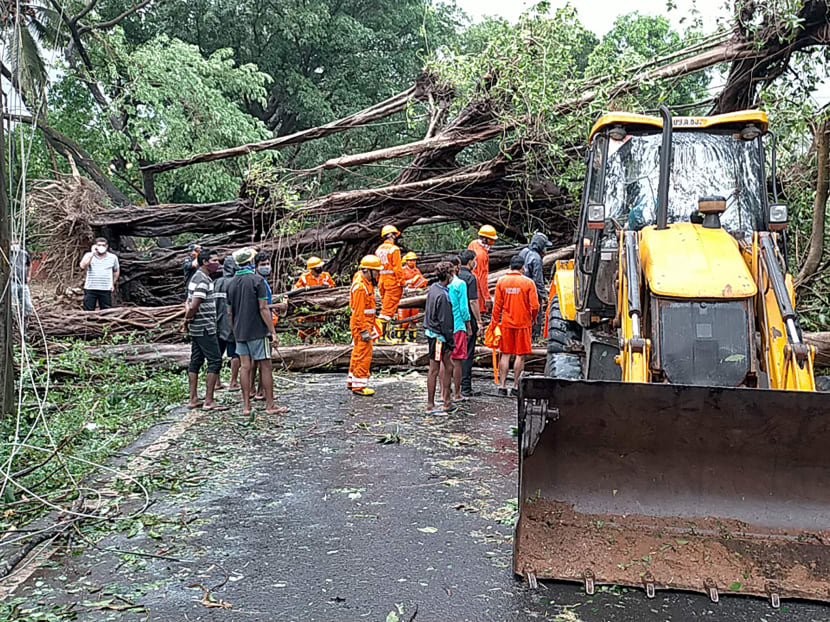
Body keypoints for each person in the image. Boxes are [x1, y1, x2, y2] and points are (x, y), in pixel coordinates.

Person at [226, 247, 283, 417]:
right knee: (265, 365)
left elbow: (229, 312)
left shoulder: (231, 283)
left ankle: (246, 406)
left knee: (245, 367)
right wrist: (272, 332)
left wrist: (234, 329)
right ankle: (270, 405)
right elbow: (263, 308)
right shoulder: (257, 281)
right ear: (251, 261)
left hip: (240, 331)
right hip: (258, 330)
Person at [489, 255, 539, 397]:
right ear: (523, 267)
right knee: (520, 355)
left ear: (510, 267)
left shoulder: (501, 282)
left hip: (506, 323)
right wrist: (533, 318)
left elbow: (496, 306)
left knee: (505, 354)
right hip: (523, 324)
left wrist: (493, 325)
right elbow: (535, 306)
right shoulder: (528, 283)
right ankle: (516, 386)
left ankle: (502, 386)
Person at [183, 248, 224, 410]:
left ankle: (193, 399)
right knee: (215, 361)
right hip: (205, 327)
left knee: (196, 361)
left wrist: (188, 320)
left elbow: (187, 301)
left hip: (197, 327)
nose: (217, 263)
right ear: (205, 262)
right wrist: (187, 319)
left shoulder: (197, 277)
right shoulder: (202, 280)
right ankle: (209, 400)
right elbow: (193, 305)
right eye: (214, 261)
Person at [424, 261, 458, 415]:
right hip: (439, 337)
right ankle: (431, 405)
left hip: (434, 332)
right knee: (434, 369)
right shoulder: (443, 297)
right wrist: (451, 341)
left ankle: (447, 400)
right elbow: (445, 322)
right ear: (448, 275)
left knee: (449, 366)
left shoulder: (434, 288)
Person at [348, 255, 382, 396]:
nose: (379, 274)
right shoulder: (361, 287)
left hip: (365, 323)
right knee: (364, 354)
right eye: (376, 271)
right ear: (368, 270)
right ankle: (359, 386)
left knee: (358, 352)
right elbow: (359, 313)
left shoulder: (364, 280)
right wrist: (363, 330)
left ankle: (352, 380)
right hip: (362, 324)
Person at [446, 256, 472, 403]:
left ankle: (445, 391)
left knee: (445, 360)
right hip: (458, 326)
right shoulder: (460, 284)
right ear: (456, 267)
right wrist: (468, 326)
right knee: (457, 361)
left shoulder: (441, 285)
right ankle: (457, 393)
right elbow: (464, 308)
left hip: (445, 327)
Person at [213, 255, 241, 391]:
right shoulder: (235, 282)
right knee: (235, 353)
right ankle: (233, 382)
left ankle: (217, 382)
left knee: (217, 353)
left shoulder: (216, 283)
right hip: (231, 323)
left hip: (216, 322)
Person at [518, 232, 553, 340]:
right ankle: (534, 337)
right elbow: (538, 280)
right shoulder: (536, 259)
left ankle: (523, 336)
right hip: (531, 290)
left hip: (520, 287)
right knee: (536, 313)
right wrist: (543, 295)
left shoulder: (523, 252)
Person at [457, 249, 482, 397]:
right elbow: (473, 301)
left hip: (454, 319)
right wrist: (478, 321)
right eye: (475, 260)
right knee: (467, 353)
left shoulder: (456, 275)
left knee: (455, 353)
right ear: (471, 261)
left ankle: (454, 386)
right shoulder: (470, 278)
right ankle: (465, 387)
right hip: (468, 319)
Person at [294, 256, 335, 341]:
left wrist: (328, 286)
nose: (320, 268)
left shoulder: (326, 276)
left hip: (322, 305)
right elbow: (296, 290)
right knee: (305, 322)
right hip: (309, 306)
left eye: (320, 266)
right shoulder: (304, 277)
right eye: (318, 267)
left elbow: (334, 288)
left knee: (319, 323)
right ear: (312, 269)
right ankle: (304, 339)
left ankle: (317, 338)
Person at [375, 224, 404, 343]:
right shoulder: (394, 249)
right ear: (391, 235)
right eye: (395, 235)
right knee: (387, 312)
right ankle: (380, 337)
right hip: (392, 282)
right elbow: (397, 268)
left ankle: (384, 336)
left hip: (382, 281)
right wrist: (402, 283)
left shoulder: (378, 250)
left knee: (385, 309)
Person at [80, 237, 119, 311]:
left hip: (105, 288)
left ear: (107, 246)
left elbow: (116, 271)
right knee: (88, 310)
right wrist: (92, 253)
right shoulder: (89, 255)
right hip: (90, 288)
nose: (101, 247)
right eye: (99, 245)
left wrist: (112, 283)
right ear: (95, 246)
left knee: (106, 311)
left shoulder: (113, 257)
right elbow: (83, 266)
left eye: (103, 245)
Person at [396, 251, 427, 342]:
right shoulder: (402, 271)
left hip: (415, 295)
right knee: (403, 320)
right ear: (407, 261)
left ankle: (412, 339)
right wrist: (410, 281)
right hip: (405, 296)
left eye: (414, 260)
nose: (413, 262)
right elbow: (399, 283)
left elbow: (421, 280)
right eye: (411, 260)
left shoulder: (417, 271)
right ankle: (401, 338)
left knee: (414, 320)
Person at [468, 225, 497, 314]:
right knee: (480, 310)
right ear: (484, 239)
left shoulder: (473, 243)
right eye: (491, 240)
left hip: (469, 279)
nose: (492, 242)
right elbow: (482, 277)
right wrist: (487, 297)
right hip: (477, 286)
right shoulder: (482, 254)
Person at [10, 239, 33, 316]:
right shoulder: (8, 254)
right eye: (12, 243)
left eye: (16, 242)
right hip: (12, 282)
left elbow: (29, 265)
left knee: (27, 303)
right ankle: (14, 319)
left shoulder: (24, 254)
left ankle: (27, 319)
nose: (14, 245)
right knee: (13, 303)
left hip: (23, 282)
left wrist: (29, 276)